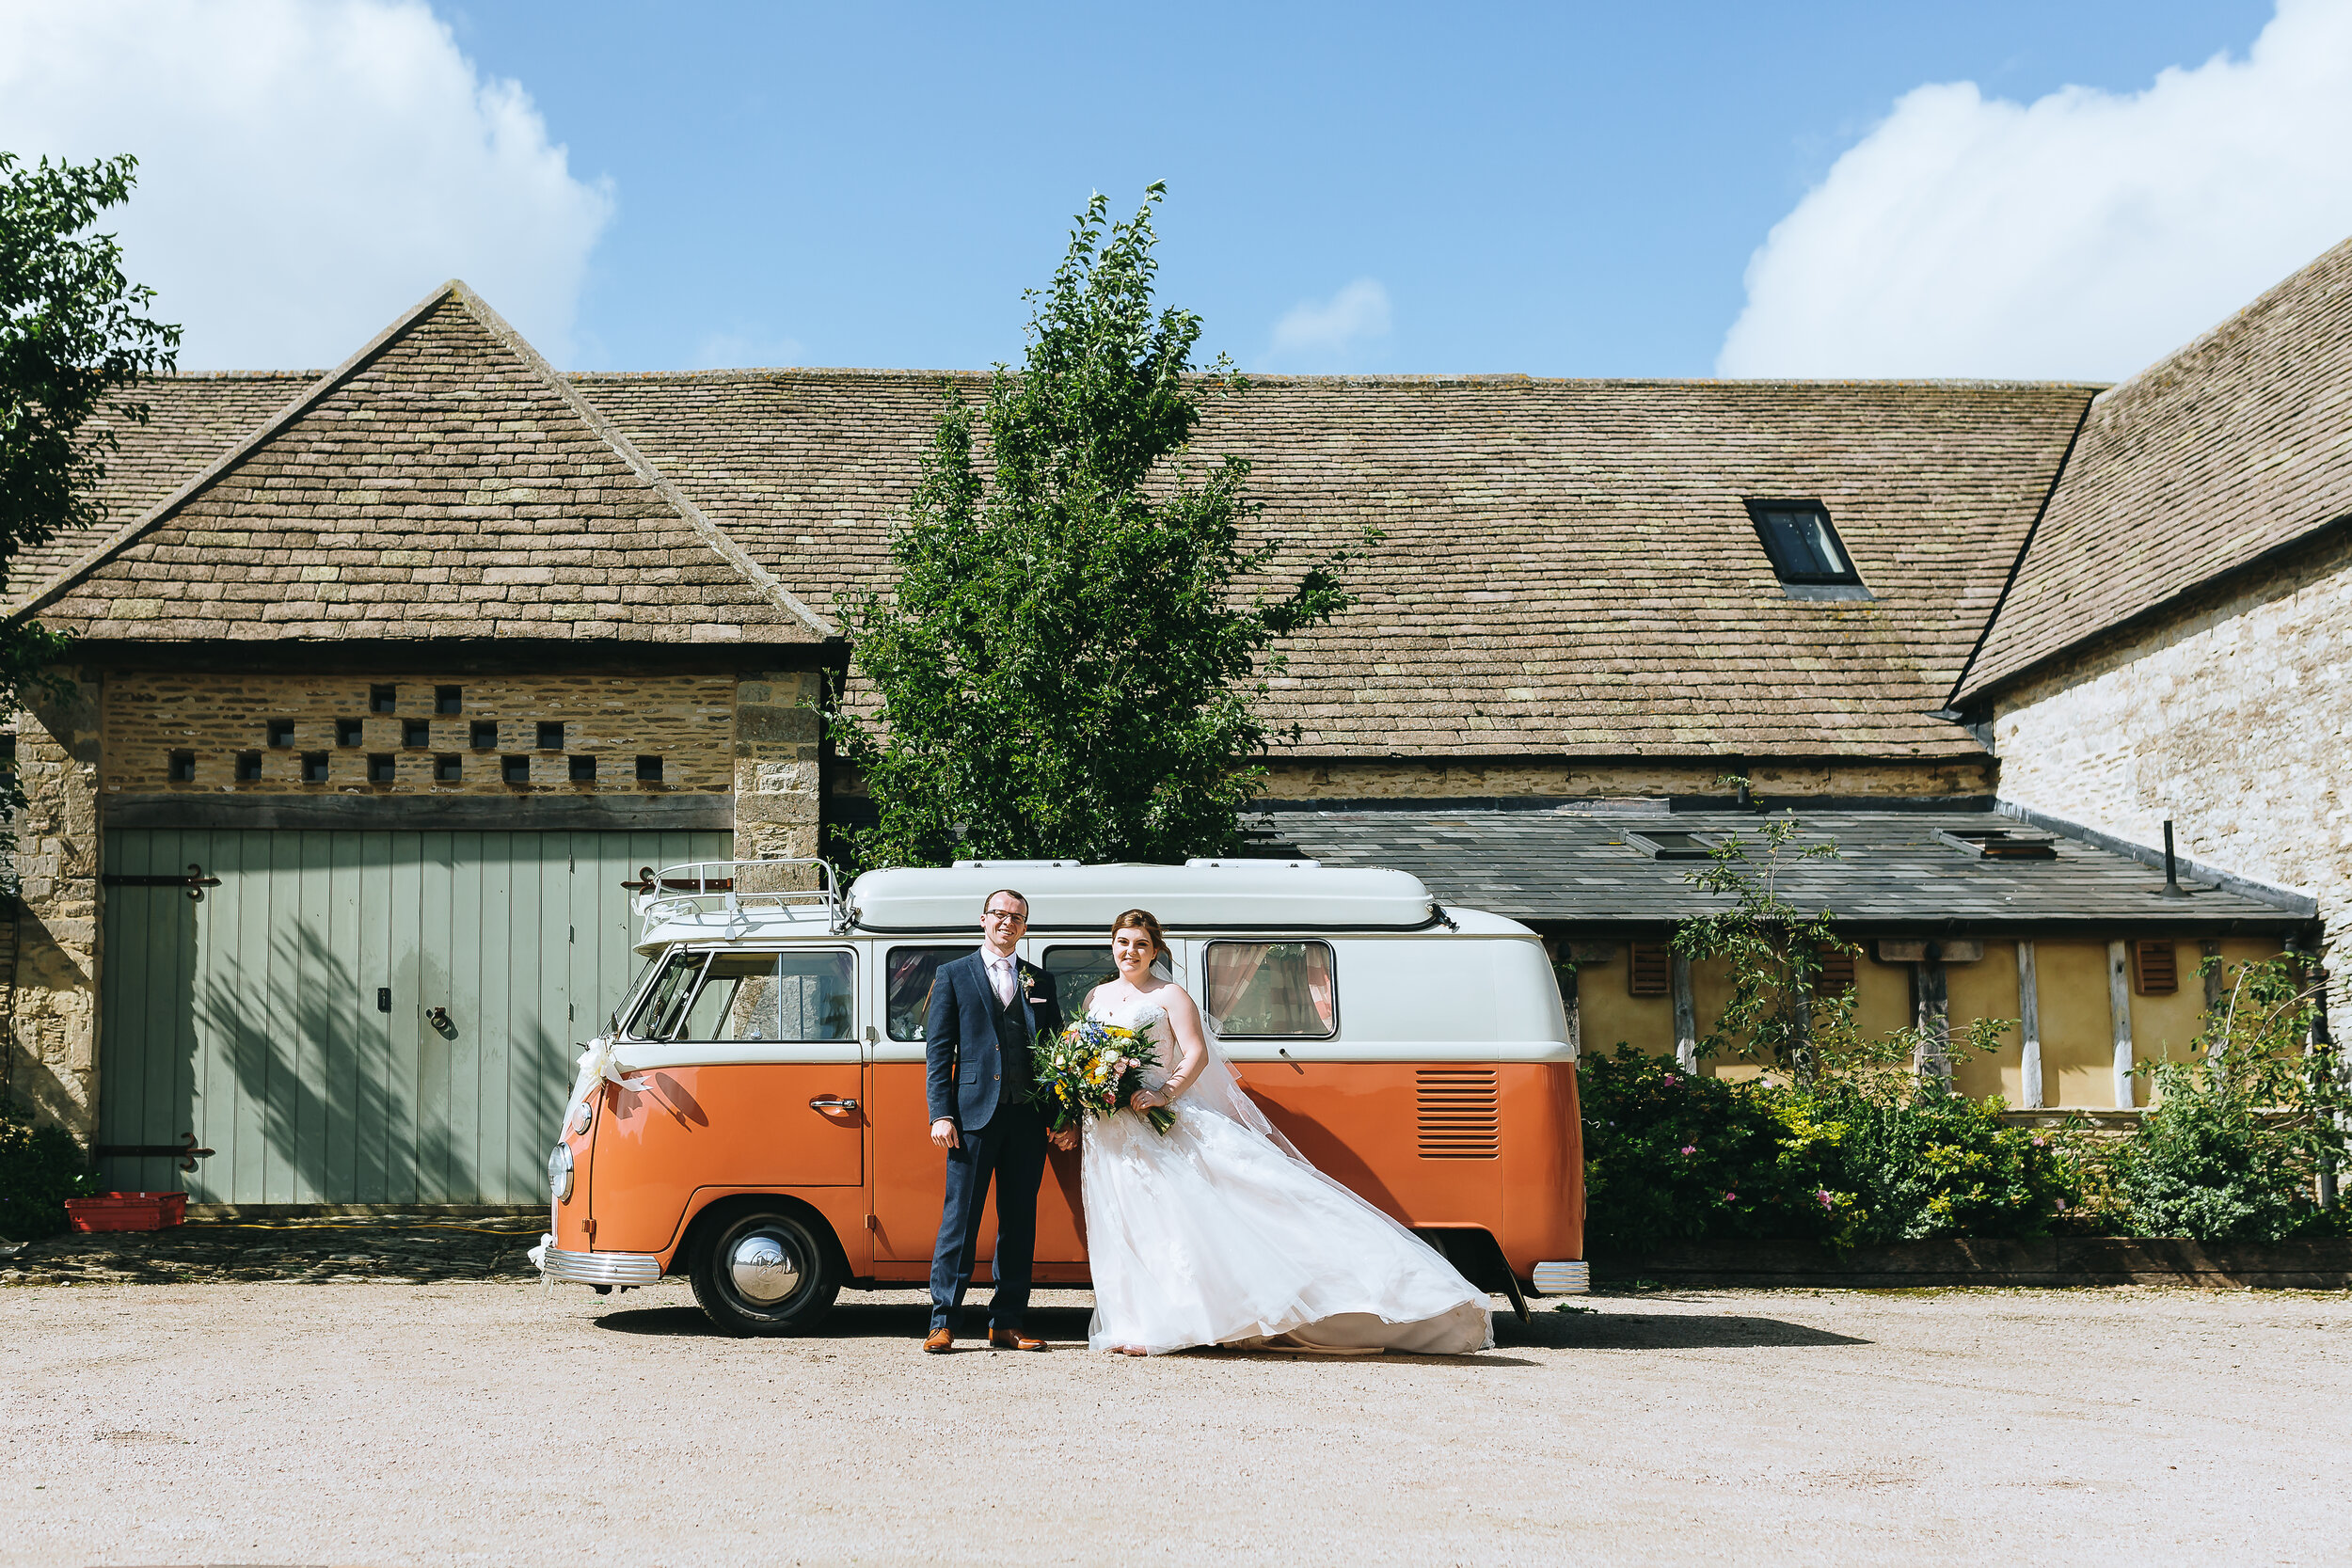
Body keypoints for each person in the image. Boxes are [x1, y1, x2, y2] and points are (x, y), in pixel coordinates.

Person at [1080, 908, 1493, 1355]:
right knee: (1125, 1221)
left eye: (1141, 944)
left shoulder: (1170, 995)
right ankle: (1134, 1323)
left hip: (1158, 1118)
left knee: (1179, 1219)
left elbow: (1196, 1053)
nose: (1131, 952)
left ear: (1155, 949)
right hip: (1108, 1131)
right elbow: (1082, 1059)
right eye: (1123, 942)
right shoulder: (1096, 997)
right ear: (1112, 944)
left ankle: (1176, 1323)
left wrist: (1165, 1093)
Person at [921, 889, 1071, 1354]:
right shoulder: (952, 975)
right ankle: (942, 1321)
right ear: (983, 920)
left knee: (1020, 1220)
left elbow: (1058, 1055)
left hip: (1027, 1118)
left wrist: (1063, 1116)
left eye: (1018, 918)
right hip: (971, 1117)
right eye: (1000, 915)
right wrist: (940, 1113)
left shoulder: (1039, 979)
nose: (1008, 923)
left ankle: (1007, 1321)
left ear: (1025, 928)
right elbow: (938, 1052)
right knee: (959, 1220)